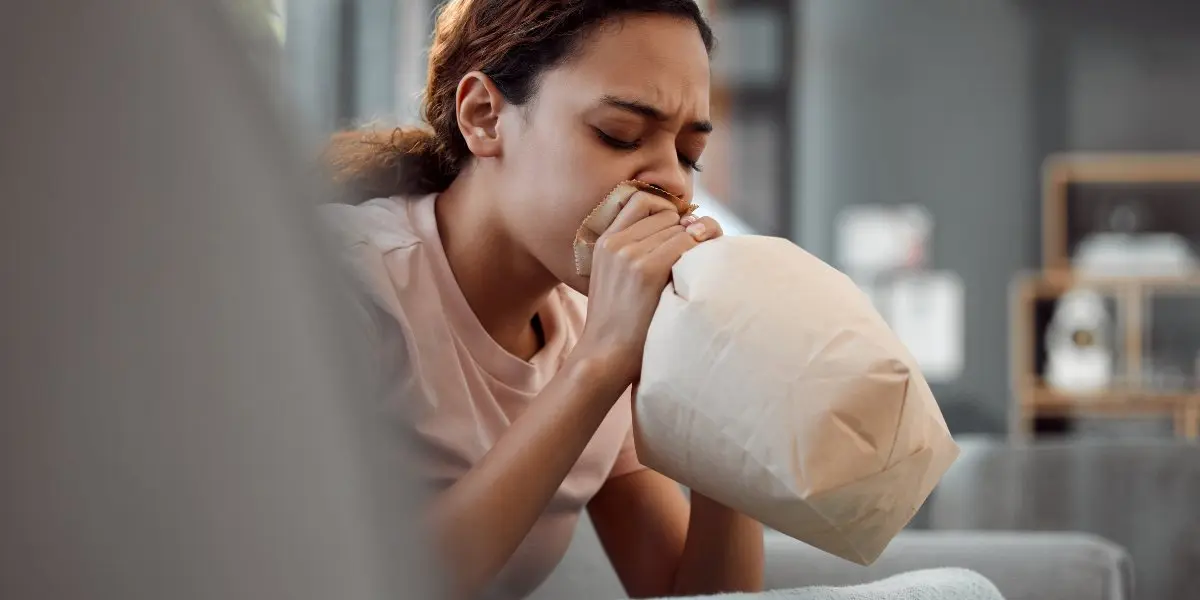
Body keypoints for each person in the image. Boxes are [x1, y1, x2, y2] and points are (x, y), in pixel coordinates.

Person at [321, 1, 764, 599]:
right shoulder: (341, 284)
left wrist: (723, 416)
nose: (673, 184)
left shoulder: (597, 322)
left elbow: (694, 597)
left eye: (689, 155)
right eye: (620, 135)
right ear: (484, 117)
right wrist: (600, 362)